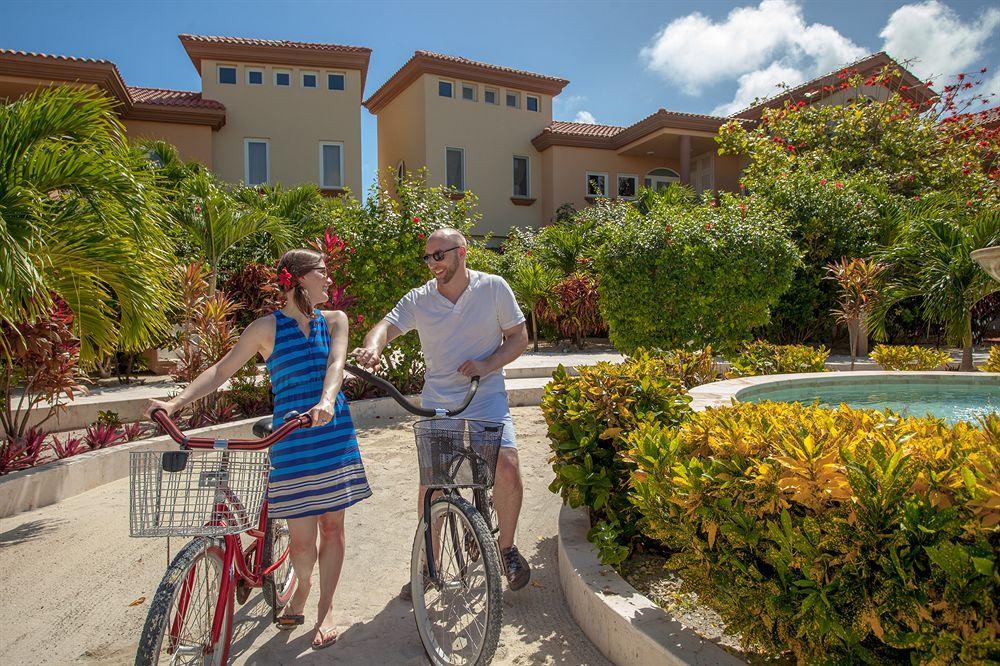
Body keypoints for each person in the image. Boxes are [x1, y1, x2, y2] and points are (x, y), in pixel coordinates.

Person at [144, 249, 370, 650]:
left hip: (331, 432)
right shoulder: (266, 328)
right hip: (291, 440)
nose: (329, 280)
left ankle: (326, 609)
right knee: (301, 543)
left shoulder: (335, 320)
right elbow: (222, 369)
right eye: (322, 272)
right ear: (300, 279)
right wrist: (176, 404)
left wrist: (327, 401)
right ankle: (301, 588)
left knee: (333, 527)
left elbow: (336, 365)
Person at [352, 228, 531, 596]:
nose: (433, 263)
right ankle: (430, 566)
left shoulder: (493, 288)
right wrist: (373, 347)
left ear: (462, 252)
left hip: (485, 395)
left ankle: (506, 548)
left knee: (507, 466)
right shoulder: (420, 299)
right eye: (428, 257)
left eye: (440, 255)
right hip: (438, 401)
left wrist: (488, 363)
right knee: (431, 484)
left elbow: (518, 338)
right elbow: (386, 326)